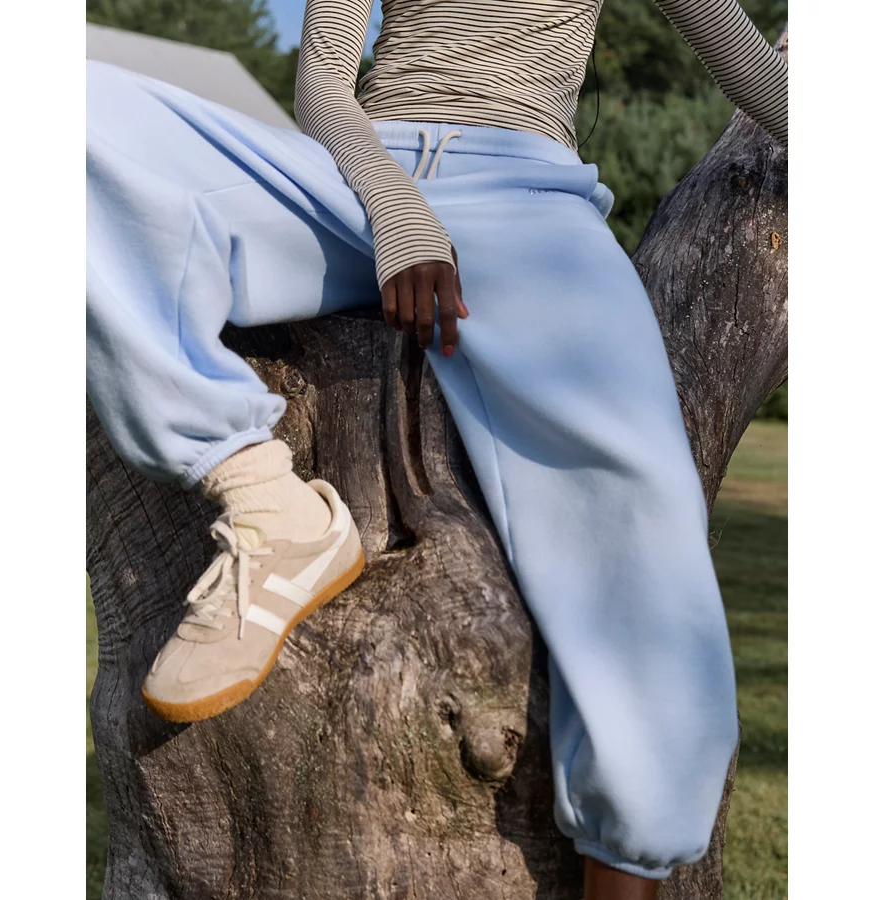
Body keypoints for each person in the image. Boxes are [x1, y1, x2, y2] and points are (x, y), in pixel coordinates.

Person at [86, 1, 787, 896]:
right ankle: (265, 499)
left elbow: (749, 68)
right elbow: (323, 83)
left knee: (644, 532)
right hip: (349, 181)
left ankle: (632, 848)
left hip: (529, 204)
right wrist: (398, 212)